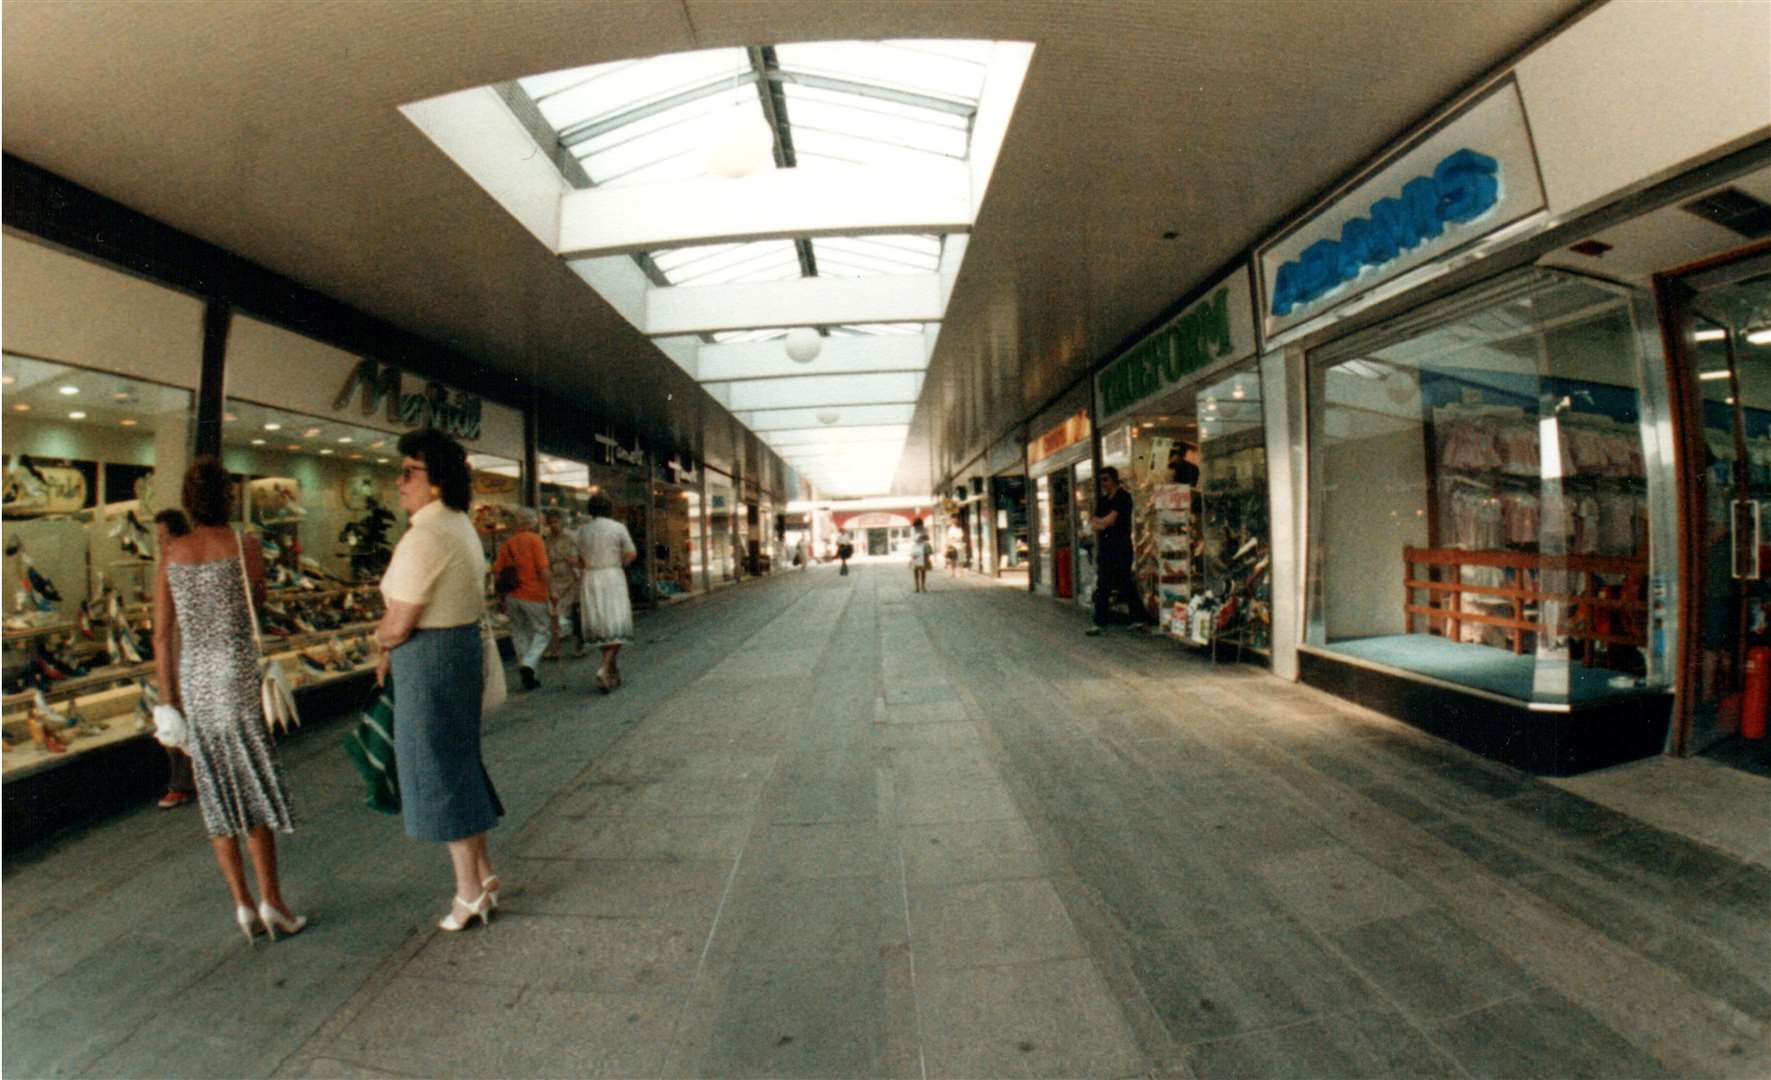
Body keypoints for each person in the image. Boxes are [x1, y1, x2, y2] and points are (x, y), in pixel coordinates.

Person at [153, 458, 303, 943]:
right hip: (236, 673)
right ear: (229, 498)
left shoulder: (172, 552)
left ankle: (242, 905)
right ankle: (273, 900)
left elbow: (160, 635)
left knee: (216, 790)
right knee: (250, 783)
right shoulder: (246, 545)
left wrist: (168, 702)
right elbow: (255, 603)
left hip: (195, 679)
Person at [375, 429, 503, 933]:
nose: (399, 480)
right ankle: (484, 875)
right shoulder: (458, 526)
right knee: (460, 762)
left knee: (440, 770)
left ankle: (468, 892)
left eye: (409, 472)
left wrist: (379, 641)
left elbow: (401, 620)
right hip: (456, 654)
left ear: (435, 482)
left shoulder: (425, 535)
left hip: (429, 660)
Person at [151, 508, 198, 810]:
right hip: (191, 646)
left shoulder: (171, 564)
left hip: (181, 646)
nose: (159, 544)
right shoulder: (189, 559)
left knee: (177, 711)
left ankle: (181, 784)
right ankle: (189, 780)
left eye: (163, 537)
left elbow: (162, 632)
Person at [574, 492, 637, 693]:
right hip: (611, 576)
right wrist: (620, 563)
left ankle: (612, 670)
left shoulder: (582, 531)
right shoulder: (618, 528)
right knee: (617, 624)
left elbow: (577, 559)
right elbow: (631, 553)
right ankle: (604, 667)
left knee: (602, 626)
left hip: (591, 578)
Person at [491, 507, 550, 691]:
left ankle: (529, 675)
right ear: (532, 522)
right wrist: (551, 590)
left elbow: (498, 571)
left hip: (512, 596)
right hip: (533, 594)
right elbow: (543, 570)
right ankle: (529, 664)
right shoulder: (535, 540)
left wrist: (500, 596)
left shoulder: (507, 544)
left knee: (519, 633)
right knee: (543, 632)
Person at [1086, 465, 1143, 636]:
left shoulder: (1123, 497)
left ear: (1113, 479)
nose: (1103, 483)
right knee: (1103, 584)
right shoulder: (1103, 500)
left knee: (1125, 581)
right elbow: (1094, 523)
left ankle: (1137, 617)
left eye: (1105, 479)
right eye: (1100, 480)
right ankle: (1100, 622)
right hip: (1105, 549)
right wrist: (1102, 522)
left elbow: (1108, 521)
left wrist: (1102, 522)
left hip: (1121, 547)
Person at [541, 509, 585, 661]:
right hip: (555, 577)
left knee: (576, 612)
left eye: (556, 522)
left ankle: (579, 644)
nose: (553, 525)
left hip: (571, 576)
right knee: (553, 613)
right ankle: (555, 647)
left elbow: (577, 557)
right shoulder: (547, 540)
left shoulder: (571, 537)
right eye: (550, 522)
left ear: (562, 522)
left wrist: (577, 570)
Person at [910, 518, 931, 593]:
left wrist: (923, 536)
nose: (918, 527)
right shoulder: (913, 530)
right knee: (915, 569)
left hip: (923, 549)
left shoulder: (924, 529)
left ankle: (923, 586)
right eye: (917, 526)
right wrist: (921, 536)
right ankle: (917, 586)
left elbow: (928, 538)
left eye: (920, 526)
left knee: (923, 569)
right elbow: (914, 539)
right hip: (915, 550)